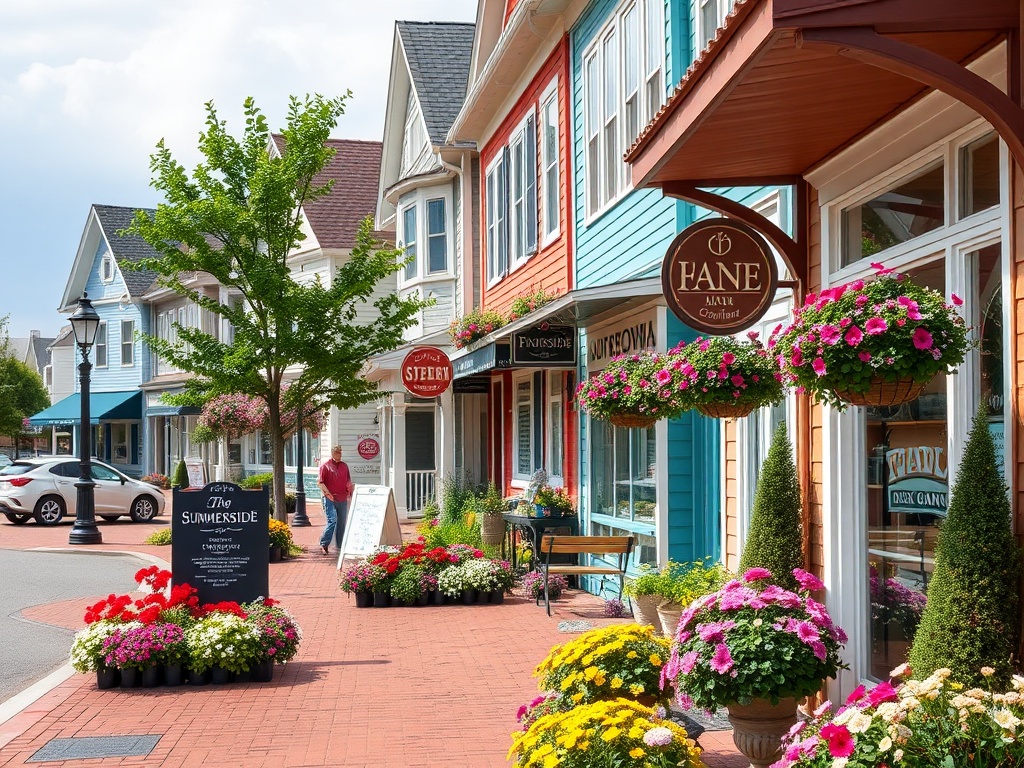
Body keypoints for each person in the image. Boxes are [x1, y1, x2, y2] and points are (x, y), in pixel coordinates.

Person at [317, 445, 353, 555]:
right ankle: (324, 543)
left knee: (342, 522)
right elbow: (320, 482)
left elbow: (348, 480)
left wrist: (349, 492)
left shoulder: (344, 466)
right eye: (337, 452)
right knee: (332, 520)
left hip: (342, 497)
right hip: (329, 498)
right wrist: (327, 493)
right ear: (333, 453)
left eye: (340, 452)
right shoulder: (326, 466)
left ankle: (340, 545)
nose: (339, 454)